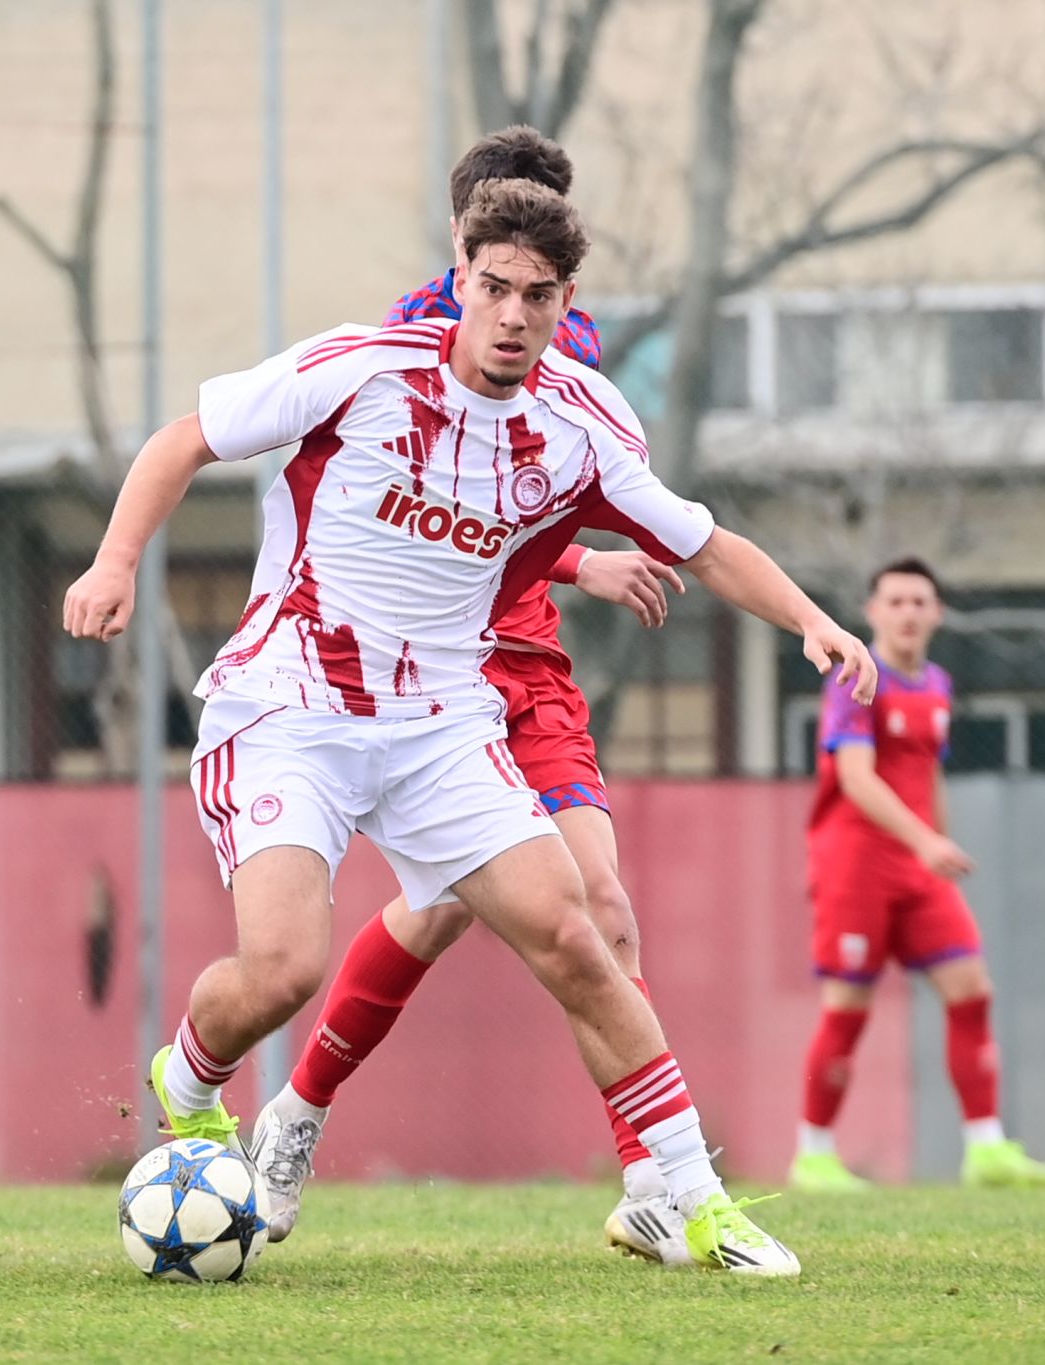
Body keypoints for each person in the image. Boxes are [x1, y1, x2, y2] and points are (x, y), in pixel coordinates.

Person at [66, 175, 879, 1275]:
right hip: (288, 708)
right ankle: (191, 1075)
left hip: (442, 727)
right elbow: (182, 440)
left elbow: (702, 541)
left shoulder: (582, 422)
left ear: (562, 302)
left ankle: (690, 1198)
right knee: (281, 969)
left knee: (577, 935)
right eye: (491, 288)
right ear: (459, 274)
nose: (509, 316)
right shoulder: (360, 367)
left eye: (533, 297)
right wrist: (115, 562)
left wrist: (811, 621)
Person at [244, 125, 697, 1266]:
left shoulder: (568, 339)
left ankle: (654, 1181)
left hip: (523, 657)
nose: (518, 297)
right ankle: (295, 1113)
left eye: (542, 263)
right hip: (417, 659)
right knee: (444, 907)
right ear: (461, 242)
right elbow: (431, 504)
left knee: (601, 905)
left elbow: (544, 488)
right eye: (496, 253)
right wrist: (585, 561)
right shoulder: (420, 334)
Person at [790, 557, 1045, 1191]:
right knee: (848, 1007)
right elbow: (857, 779)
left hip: (918, 867)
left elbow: (927, 771)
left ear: (937, 613)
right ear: (873, 612)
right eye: (897, 601)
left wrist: (935, 844)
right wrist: (925, 840)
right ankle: (812, 1154)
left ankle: (987, 1149)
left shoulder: (936, 683)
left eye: (921, 601)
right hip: (855, 866)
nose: (909, 612)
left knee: (971, 987)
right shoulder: (854, 680)